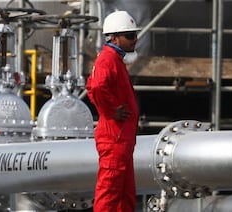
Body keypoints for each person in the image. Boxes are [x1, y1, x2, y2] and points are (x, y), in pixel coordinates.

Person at [85, 10, 140, 212]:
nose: (135, 39)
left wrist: (109, 110)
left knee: (124, 195)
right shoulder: (108, 60)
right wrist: (110, 112)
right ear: (115, 38)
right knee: (109, 194)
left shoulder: (113, 60)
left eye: (134, 34)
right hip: (115, 139)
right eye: (130, 35)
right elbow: (97, 87)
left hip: (120, 139)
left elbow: (91, 86)